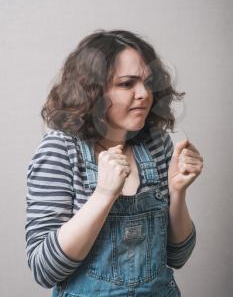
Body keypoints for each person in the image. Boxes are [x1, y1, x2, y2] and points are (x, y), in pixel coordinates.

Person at [25, 29, 204, 296]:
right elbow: (44, 269)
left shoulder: (156, 144)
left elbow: (177, 257)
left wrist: (178, 193)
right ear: (93, 92)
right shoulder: (60, 151)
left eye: (147, 82)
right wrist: (103, 194)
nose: (144, 93)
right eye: (126, 84)